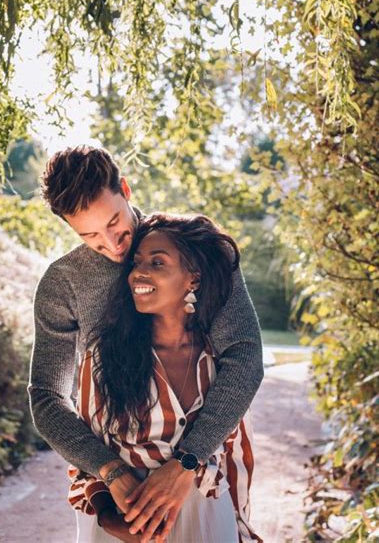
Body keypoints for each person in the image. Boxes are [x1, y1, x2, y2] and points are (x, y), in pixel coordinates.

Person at [28, 146, 263, 541]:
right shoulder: (62, 284)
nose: (112, 244)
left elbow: (244, 357)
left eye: (114, 222)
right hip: (117, 494)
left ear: (125, 188)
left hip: (201, 473)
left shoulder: (195, 250)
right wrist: (109, 474)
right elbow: (48, 397)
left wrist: (188, 461)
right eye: (89, 235)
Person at [67, 213, 262, 542]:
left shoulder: (220, 365)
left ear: (193, 279)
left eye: (157, 262)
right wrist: (107, 518)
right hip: (127, 523)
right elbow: (86, 451)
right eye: (137, 262)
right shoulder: (103, 355)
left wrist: (238, 527)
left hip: (207, 522)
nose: (139, 273)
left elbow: (234, 456)